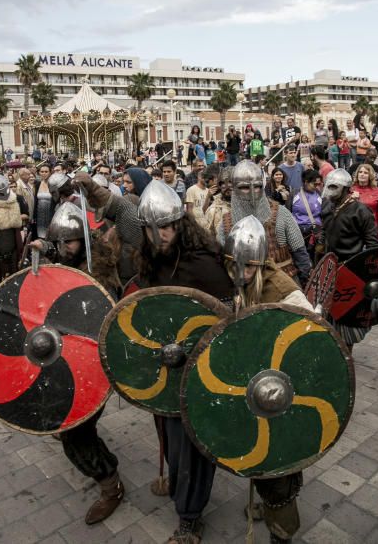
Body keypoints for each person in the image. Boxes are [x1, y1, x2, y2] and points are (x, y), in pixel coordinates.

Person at [134, 180, 233, 543]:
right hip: (166, 368)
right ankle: (178, 486)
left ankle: (190, 517)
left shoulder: (203, 264)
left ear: (181, 222)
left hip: (200, 370)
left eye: (171, 225)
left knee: (193, 445)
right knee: (171, 438)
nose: (165, 233)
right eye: (157, 228)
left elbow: (225, 319)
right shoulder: (149, 260)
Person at [29, 202, 124, 524]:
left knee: (75, 434)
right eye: (60, 242)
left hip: (91, 362)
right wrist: (44, 254)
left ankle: (110, 485)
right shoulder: (70, 260)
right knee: (69, 418)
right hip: (66, 357)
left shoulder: (100, 277)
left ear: (83, 241)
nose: (63, 248)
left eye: (68, 242)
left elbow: (98, 317)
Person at [224, 216, 314, 544]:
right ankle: (267, 505)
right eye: (234, 265)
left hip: (282, 393)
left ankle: (282, 532)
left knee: (279, 472)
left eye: (248, 267)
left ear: (261, 263)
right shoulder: (237, 283)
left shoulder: (283, 291)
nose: (240, 273)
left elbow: (312, 342)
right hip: (255, 387)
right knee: (259, 458)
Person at [220, 161, 311, 286]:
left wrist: (304, 281)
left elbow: (300, 252)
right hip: (245, 286)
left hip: (283, 283)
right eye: (244, 187)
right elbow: (222, 262)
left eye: (257, 186)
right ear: (234, 189)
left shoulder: (281, 214)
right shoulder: (227, 222)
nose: (252, 192)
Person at [319, 169, 378, 347]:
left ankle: (345, 354)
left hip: (351, 271)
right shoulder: (328, 207)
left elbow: (373, 247)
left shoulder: (361, 211)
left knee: (347, 317)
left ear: (346, 188)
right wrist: (321, 242)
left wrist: (367, 275)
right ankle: (331, 350)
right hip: (329, 269)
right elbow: (324, 229)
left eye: (333, 187)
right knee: (326, 315)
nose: (328, 191)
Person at [291, 170, 323, 262]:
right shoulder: (294, 194)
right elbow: (288, 213)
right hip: (297, 232)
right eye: (314, 184)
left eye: (318, 184)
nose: (316, 186)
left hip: (315, 233)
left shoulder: (319, 194)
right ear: (306, 182)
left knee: (314, 259)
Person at [351, 164, 378, 241]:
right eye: (360, 172)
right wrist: (350, 199)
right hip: (354, 231)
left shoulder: (377, 191)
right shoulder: (350, 190)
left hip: (372, 230)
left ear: (370, 176)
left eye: (365, 173)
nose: (362, 174)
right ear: (357, 174)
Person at [202, 165, 232, 238]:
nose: (227, 186)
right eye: (223, 183)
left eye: (230, 182)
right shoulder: (214, 209)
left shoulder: (246, 205)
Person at [32, 163, 54, 239]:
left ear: (50, 172)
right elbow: (35, 201)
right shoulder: (37, 184)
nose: (44, 173)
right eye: (42, 171)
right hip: (39, 216)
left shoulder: (54, 184)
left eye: (46, 171)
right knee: (40, 237)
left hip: (51, 215)